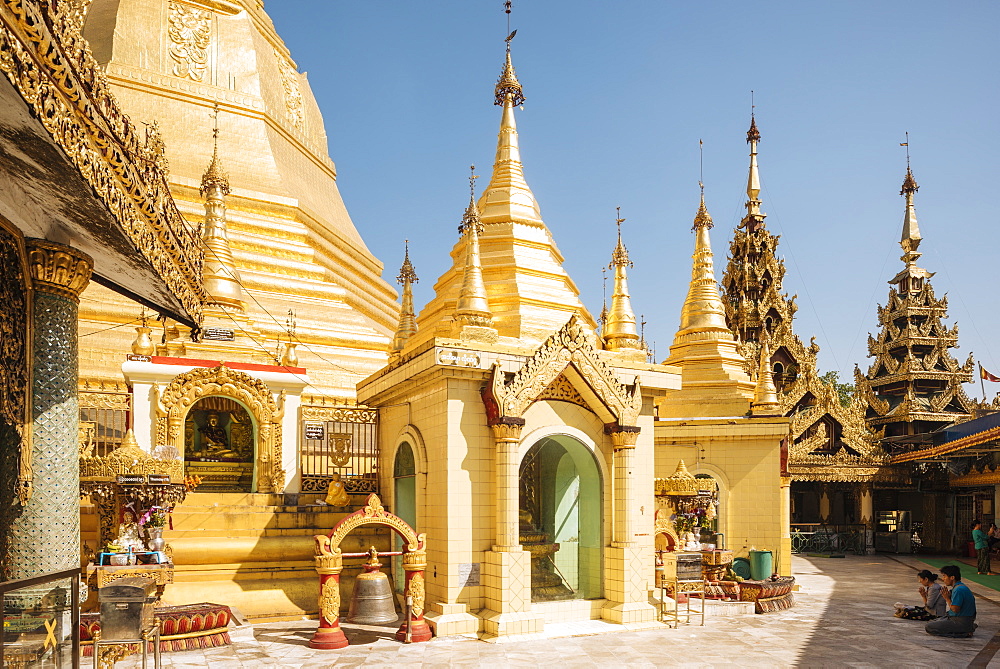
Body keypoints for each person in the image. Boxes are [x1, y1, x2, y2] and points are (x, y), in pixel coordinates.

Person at [925, 565, 977, 637]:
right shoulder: (958, 587)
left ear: (952, 577)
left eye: (944, 576)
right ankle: (968, 627)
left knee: (929, 627)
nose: (943, 579)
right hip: (958, 618)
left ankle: (964, 632)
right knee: (933, 621)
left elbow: (955, 609)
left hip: (960, 621)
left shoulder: (959, 590)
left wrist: (947, 598)